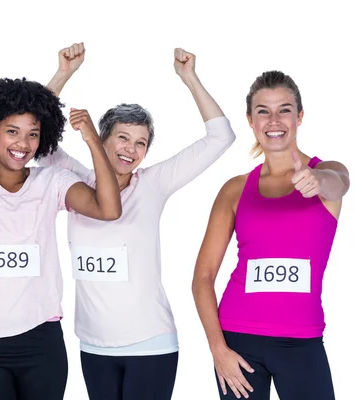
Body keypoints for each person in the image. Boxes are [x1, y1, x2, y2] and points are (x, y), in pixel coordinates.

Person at [41, 43, 236, 400]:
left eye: (141, 143)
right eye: (123, 138)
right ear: (102, 139)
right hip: (94, 344)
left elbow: (221, 137)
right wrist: (63, 75)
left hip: (151, 344)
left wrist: (190, 78)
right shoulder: (73, 180)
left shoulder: (154, 184)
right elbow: (35, 135)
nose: (131, 150)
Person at [0, 77, 122, 400]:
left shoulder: (53, 181)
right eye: (12, 131)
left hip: (41, 340)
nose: (23, 143)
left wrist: (92, 141)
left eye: (33, 134)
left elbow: (108, 208)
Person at [192, 70, 350, 400]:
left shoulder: (327, 173)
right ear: (250, 120)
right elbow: (203, 277)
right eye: (263, 110)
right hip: (237, 341)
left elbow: (340, 181)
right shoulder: (234, 189)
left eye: (285, 109)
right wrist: (218, 350)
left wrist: (318, 181)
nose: (274, 119)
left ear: (300, 116)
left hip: (301, 340)